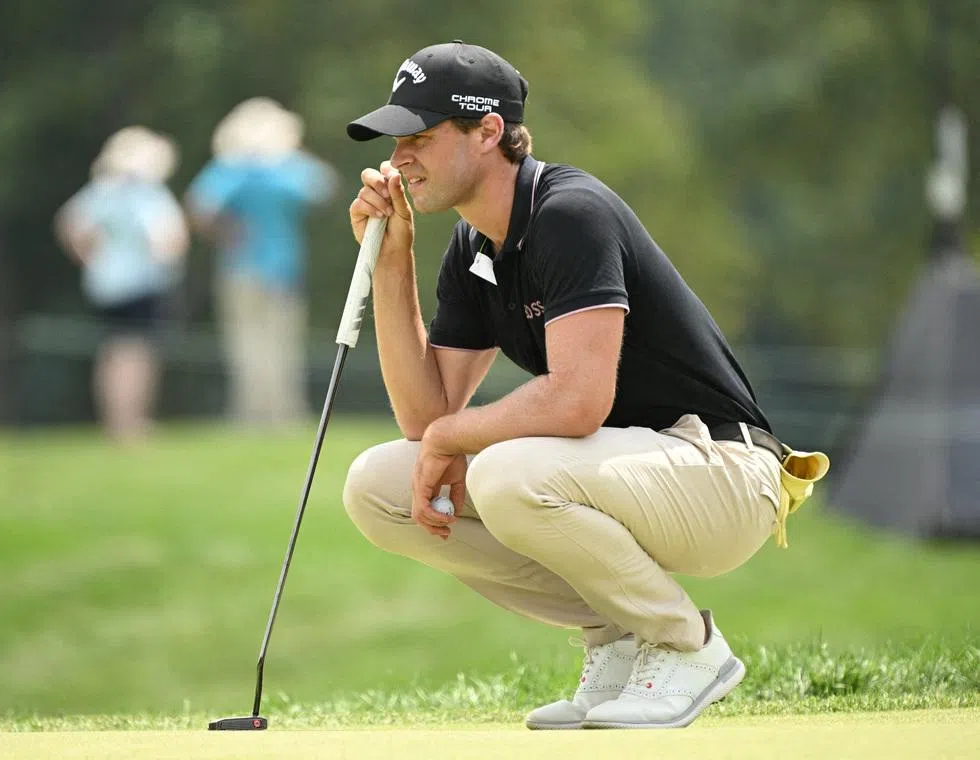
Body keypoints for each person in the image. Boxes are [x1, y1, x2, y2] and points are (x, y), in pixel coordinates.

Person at [340, 41, 829, 730]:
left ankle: (687, 645)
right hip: (626, 472)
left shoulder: (569, 213)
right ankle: (621, 639)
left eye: (420, 137)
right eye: (396, 142)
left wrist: (453, 435)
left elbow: (577, 401)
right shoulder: (472, 247)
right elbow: (426, 418)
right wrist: (394, 262)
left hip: (723, 472)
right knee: (376, 487)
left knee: (508, 473)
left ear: (487, 133)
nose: (399, 160)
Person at [185, 98, 337, 428]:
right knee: (284, 343)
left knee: (246, 344)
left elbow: (200, 206)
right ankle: (284, 414)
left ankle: (252, 415)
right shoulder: (287, 168)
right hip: (284, 268)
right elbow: (324, 186)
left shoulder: (231, 167)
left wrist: (225, 231)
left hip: (240, 268)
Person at [55, 126, 188, 444]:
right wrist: (166, 261)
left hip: (104, 284)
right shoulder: (147, 194)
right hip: (141, 284)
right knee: (137, 355)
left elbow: (69, 224)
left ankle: (114, 422)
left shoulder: (101, 191)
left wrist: (89, 258)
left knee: (112, 353)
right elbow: (168, 238)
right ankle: (132, 423)